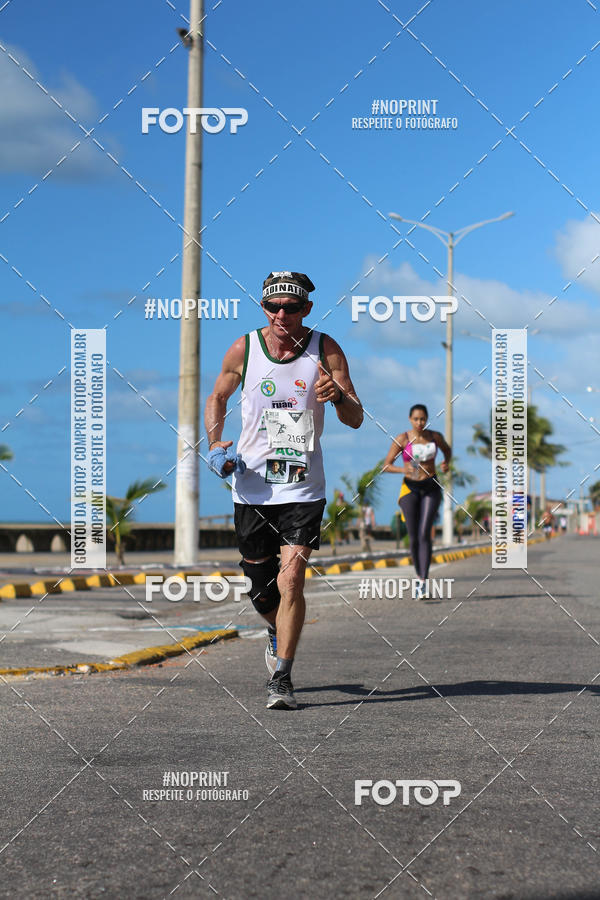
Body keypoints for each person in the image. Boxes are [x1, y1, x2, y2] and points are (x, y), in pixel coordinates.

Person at [204, 271, 363, 709]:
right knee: (261, 588)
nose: (281, 314)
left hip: (302, 487)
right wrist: (215, 446)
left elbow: (355, 417)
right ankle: (275, 628)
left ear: (306, 309)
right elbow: (217, 397)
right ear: (264, 308)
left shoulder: (325, 349)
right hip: (252, 486)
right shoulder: (245, 348)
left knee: (291, 578)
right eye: (273, 306)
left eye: (290, 307)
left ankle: (282, 678)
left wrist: (338, 396)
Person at [382, 404, 451, 597]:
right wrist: (402, 469)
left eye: (423, 419)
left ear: (427, 419)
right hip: (409, 489)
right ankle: (418, 574)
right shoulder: (402, 439)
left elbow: (447, 450)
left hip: (431, 487)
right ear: (410, 419)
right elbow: (386, 466)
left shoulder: (435, 437)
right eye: (416, 419)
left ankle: (423, 581)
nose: (420, 422)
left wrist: (446, 463)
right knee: (413, 537)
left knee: (424, 533)